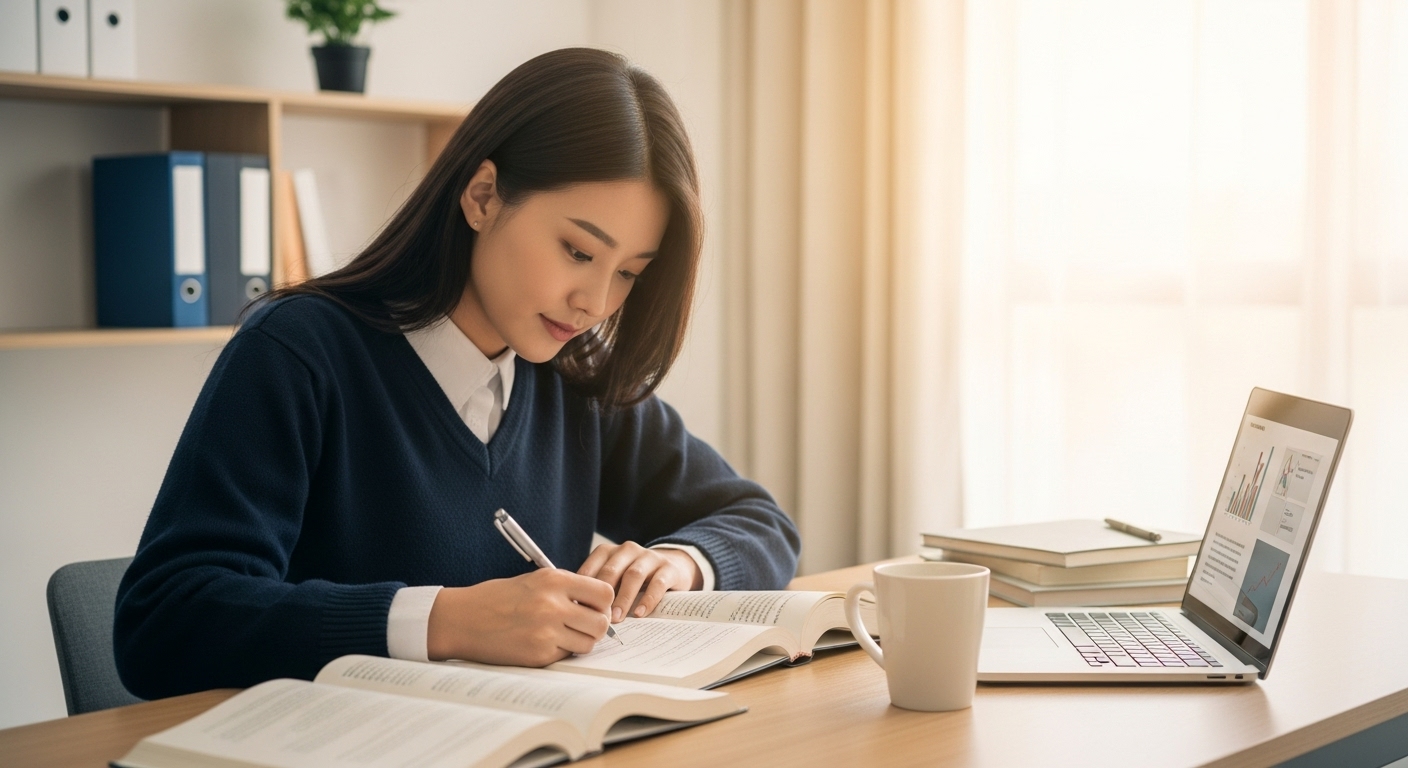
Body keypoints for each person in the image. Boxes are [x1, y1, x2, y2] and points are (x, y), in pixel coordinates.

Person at [113, 48, 801, 700]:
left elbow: (762, 523)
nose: (595, 302)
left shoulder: (575, 382)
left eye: (628, 273)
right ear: (482, 196)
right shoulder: (299, 352)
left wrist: (679, 562)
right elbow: (165, 620)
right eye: (577, 251)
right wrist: (444, 621)